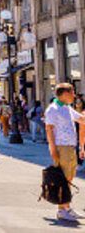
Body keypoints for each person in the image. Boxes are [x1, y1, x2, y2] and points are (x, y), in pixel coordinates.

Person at [45, 82, 85, 222]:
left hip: (70, 147)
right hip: (62, 147)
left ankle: (66, 207)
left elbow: (81, 119)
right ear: (65, 94)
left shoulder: (66, 108)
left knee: (69, 177)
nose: (74, 95)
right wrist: (53, 149)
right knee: (63, 178)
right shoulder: (53, 109)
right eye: (72, 92)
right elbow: (49, 129)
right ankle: (62, 209)